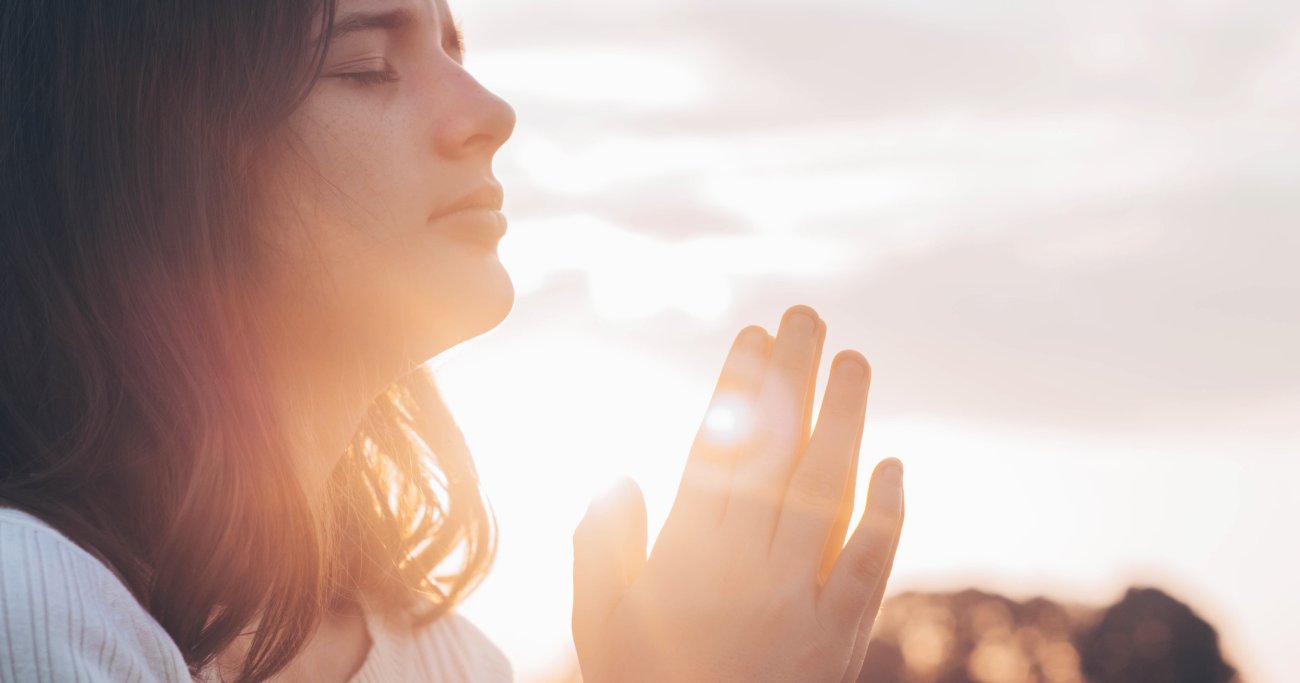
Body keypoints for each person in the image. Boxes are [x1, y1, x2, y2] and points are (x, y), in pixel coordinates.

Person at [0, 0, 906, 681]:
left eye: (453, 47)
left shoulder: (453, 659)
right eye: (365, 66)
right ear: (152, 156)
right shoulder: (28, 598)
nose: (489, 110)